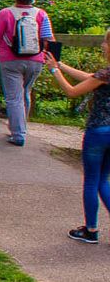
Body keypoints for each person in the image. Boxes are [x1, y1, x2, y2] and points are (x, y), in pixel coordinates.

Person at [45, 34, 110, 243]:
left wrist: (54, 71)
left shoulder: (105, 73)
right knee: (104, 181)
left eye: (106, 42)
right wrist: (62, 65)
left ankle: (91, 230)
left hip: (98, 131)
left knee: (91, 180)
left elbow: (73, 92)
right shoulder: (103, 75)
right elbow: (91, 78)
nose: (102, 45)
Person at [0, 0, 54, 147]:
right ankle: (20, 127)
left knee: (13, 97)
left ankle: (18, 134)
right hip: (35, 60)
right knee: (25, 92)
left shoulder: (5, 13)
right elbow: (48, 40)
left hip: (10, 60)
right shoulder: (41, 14)